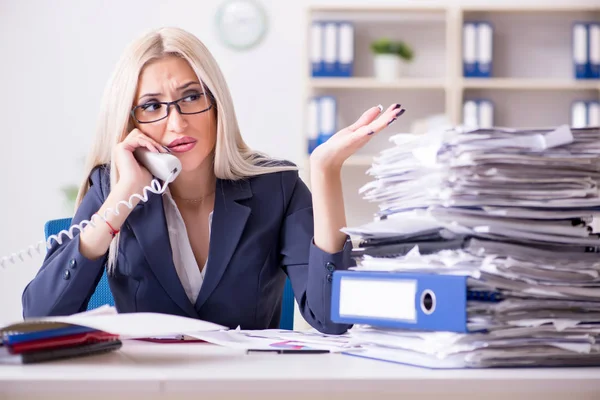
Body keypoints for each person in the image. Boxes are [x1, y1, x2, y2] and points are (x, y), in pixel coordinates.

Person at [21, 27, 405, 334]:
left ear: (216, 102)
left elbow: (331, 319)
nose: (177, 122)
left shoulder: (277, 187)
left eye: (191, 97)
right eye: (152, 106)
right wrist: (118, 202)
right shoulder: (111, 188)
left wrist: (325, 171)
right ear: (131, 121)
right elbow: (39, 315)